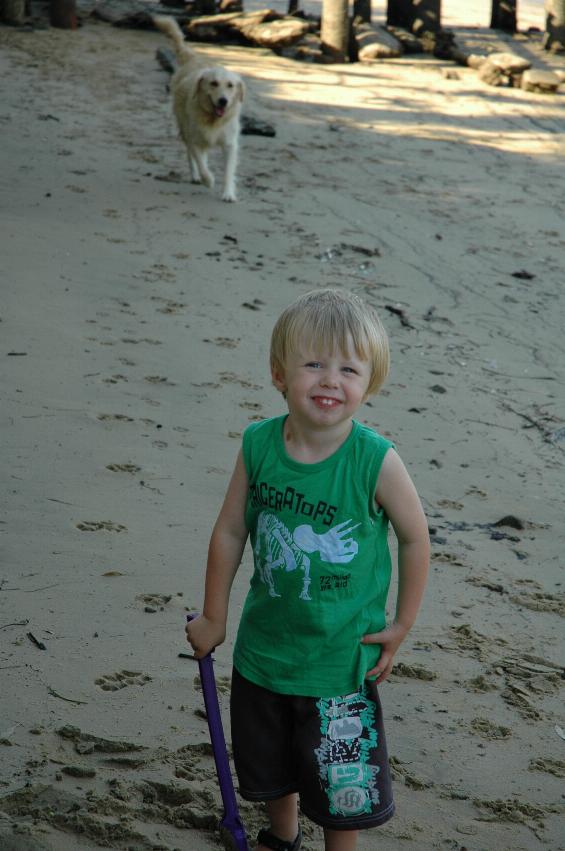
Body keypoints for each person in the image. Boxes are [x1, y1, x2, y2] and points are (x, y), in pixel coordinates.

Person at [186, 288, 430, 851]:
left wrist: (402, 624)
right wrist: (215, 617)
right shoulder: (258, 446)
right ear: (279, 373)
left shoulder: (376, 461)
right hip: (265, 653)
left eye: (348, 368)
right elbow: (230, 531)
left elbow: (415, 539)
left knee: (340, 788)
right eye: (313, 364)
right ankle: (282, 835)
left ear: (370, 383)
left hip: (340, 664)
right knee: (273, 766)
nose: (329, 380)